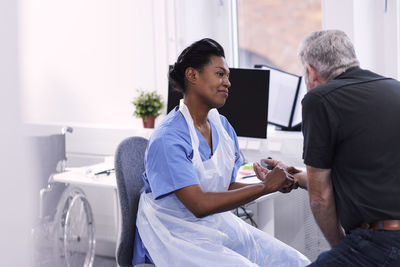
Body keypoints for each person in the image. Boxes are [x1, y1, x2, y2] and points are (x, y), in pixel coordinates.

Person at [133, 38, 310, 267]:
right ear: (192, 75)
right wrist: (264, 187)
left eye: (227, 76)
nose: (227, 83)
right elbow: (199, 205)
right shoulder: (168, 138)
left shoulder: (222, 127)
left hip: (211, 225)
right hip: (173, 235)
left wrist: (273, 184)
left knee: (295, 261)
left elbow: (223, 187)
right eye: (219, 74)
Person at [254, 30, 400, 266]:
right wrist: (297, 177)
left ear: (311, 72)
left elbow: (320, 198)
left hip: (380, 243)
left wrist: (341, 248)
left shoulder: (319, 99)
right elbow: (363, 178)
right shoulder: (394, 88)